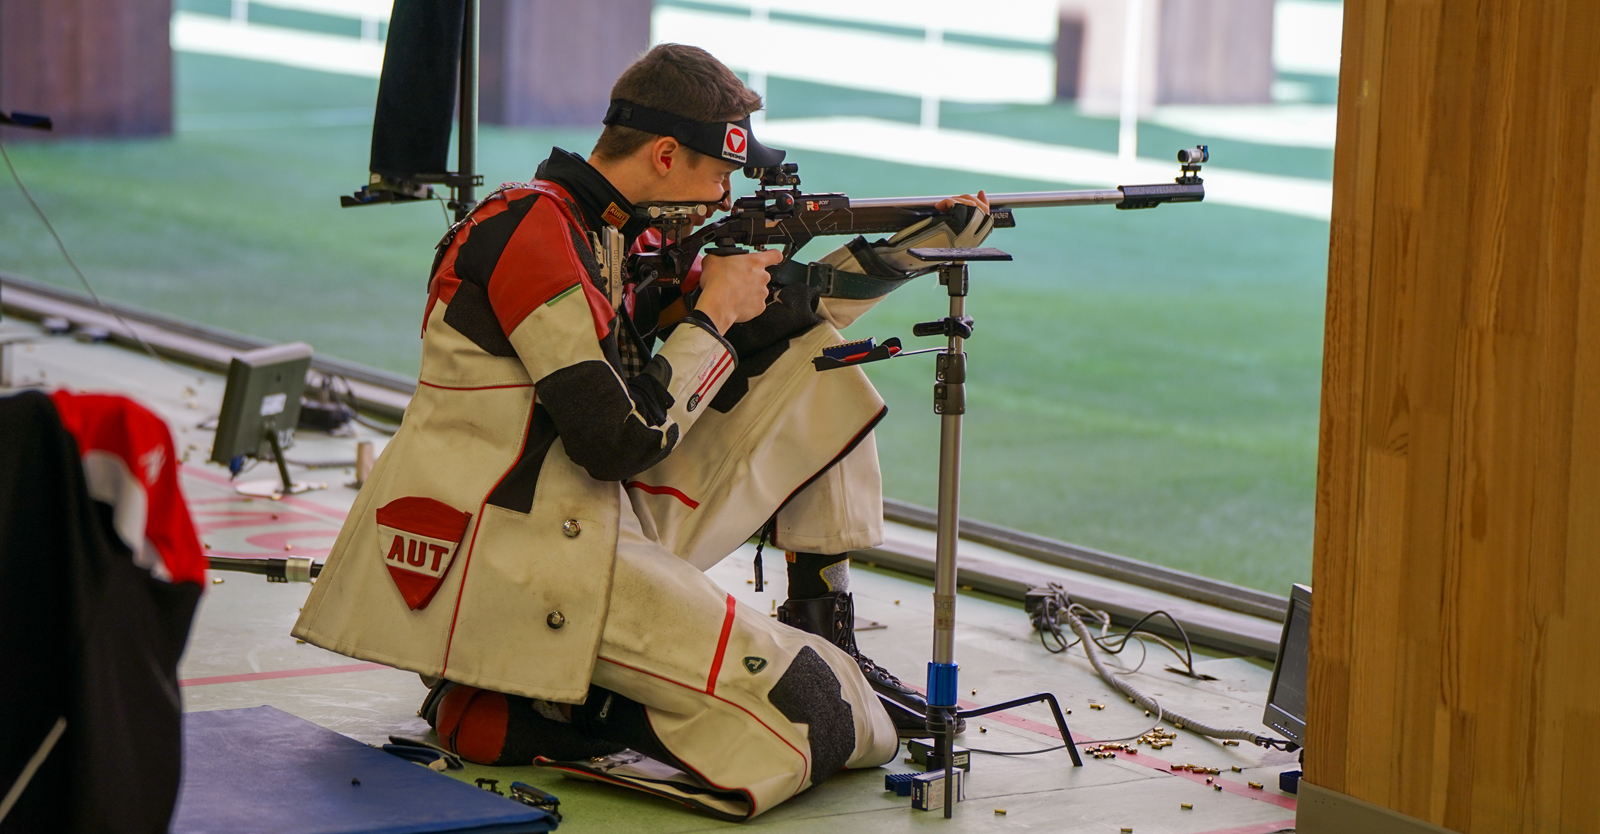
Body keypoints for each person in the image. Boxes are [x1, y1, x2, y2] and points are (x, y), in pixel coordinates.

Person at [292, 43, 991, 819]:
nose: (726, 193)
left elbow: (783, 322)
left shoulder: (618, 231)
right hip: (511, 554)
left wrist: (914, 249)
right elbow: (616, 438)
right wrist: (713, 312)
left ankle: (817, 617)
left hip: (586, 516)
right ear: (665, 155)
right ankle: (530, 709)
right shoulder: (530, 228)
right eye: (721, 174)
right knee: (822, 713)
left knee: (810, 357)